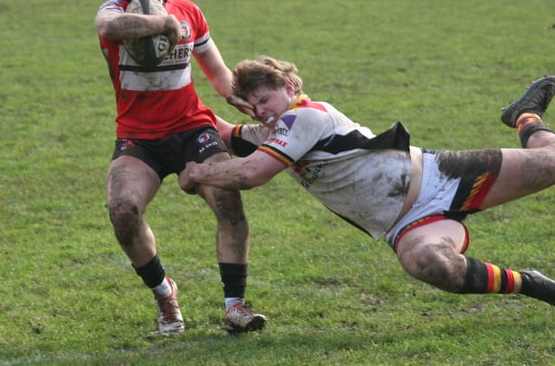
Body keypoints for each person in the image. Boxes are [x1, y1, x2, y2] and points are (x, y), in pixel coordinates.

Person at [180, 56, 555, 308]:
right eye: (254, 106)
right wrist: (175, 102)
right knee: (433, 266)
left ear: (291, 88)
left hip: (443, 178)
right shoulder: (273, 132)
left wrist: (197, 172)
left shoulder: (306, 117)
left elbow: (251, 173)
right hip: (407, 225)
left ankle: (524, 116)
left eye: (266, 99)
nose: (262, 111)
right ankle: (533, 283)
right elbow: (224, 132)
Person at [95, 0, 267, 336]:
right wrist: (161, 22)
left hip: (193, 129)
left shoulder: (190, 11)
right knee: (122, 211)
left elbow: (218, 72)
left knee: (228, 201)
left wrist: (241, 99)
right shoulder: (114, 10)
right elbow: (107, 24)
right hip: (139, 138)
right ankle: (164, 294)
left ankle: (235, 306)